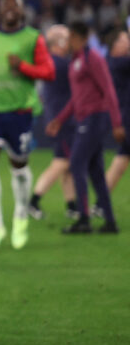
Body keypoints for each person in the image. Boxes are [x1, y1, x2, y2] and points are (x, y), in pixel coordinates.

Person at [0, 0, 55, 253]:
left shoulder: (33, 38)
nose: (10, 9)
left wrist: (23, 66)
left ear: (23, 12)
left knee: (18, 166)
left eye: (15, 6)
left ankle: (20, 216)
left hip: (19, 111)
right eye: (5, 5)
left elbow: (48, 72)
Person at [45, 22, 124, 234]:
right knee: (96, 172)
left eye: (70, 37)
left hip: (94, 119)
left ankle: (84, 219)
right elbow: (76, 98)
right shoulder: (76, 61)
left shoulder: (93, 58)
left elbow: (108, 90)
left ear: (80, 38)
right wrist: (60, 119)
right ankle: (110, 222)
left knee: (77, 163)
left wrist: (117, 123)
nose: (68, 42)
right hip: (84, 119)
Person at [28, 25, 78, 220]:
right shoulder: (63, 64)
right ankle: (33, 201)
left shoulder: (49, 62)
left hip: (55, 118)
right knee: (62, 162)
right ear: (60, 42)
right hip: (63, 120)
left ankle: (72, 205)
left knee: (67, 163)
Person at [105, 30, 130, 192]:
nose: (128, 41)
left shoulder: (109, 61)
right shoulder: (119, 63)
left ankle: (101, 202)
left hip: (122, 116)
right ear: (115, 45)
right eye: (125, 39)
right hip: (127, 116)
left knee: (121, 160)